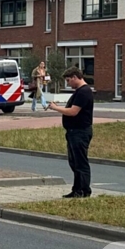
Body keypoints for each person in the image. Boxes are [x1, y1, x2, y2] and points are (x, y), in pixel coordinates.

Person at [47, 66, 94, 198]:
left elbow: (73, 111)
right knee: (74, 162)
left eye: (68, 80)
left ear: (75, 77)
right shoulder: (80, 91)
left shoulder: (83, 92)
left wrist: (56, 108)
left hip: (80, 131)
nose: (68, 83)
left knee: (80, 162)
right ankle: (77, 189)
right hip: (74, 131)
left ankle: (84, 190)